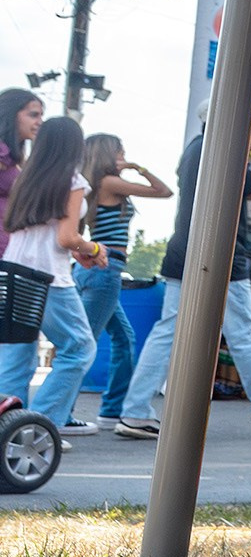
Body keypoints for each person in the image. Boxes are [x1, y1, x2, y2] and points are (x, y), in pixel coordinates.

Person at [116, 105, 251, 438]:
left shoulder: (195, 148)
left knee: (168, 332)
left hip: (183, 250)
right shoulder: (228, 150)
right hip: (221, 254)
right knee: (244, 335)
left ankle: (135, 410)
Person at [1, 117, 109, 433]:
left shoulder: (24, 179)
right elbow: (66, 238)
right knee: (79, 347)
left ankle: (9, 432)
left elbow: (41, 231)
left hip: (12, 272)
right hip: (47, 277)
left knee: (16, 353)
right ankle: (41, 425)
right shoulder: (72, 181)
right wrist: (92, 248)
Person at [70, 134, 173, 433]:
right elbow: (163, 191)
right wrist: (138, 167)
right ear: (108, 154)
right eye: (120, 151)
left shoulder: (94, 183)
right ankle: (60, 413)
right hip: (105, 268)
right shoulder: (107, 183)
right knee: (83, 344)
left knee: (124, 339)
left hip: (100, 268)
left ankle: (112, 411)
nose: (124, 155)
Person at [0, 88, 46, 256]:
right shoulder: (2, 153)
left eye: (41, 116)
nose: (40, 122)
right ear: (11, 115)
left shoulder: (15, 158)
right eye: (33, 115)